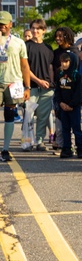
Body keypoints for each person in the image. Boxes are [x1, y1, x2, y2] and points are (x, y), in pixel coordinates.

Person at [0, 11, 32, 161]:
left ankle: (5, 149)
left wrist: (27, 87)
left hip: (14, 83)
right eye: (0, 24)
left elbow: (25, 66)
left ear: (10, 24)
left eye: (4, 24)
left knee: (9, 115)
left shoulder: (19, 42)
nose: (2, 27)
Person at [24, 19, 55, 150]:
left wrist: (51, 83)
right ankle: (27, 141)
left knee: (43, 117)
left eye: (38, 28)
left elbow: (51, 67)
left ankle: (39, 141)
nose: (35, 31)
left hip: (47, 89)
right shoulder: (26, 46)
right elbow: (24, 68)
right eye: (33, 28)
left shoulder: (48, 48)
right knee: (28, 116)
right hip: (31, 87)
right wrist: (38, 81)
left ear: (44, 30)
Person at [54, 51, 82, 159]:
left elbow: (78, 93)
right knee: (65, 129)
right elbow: (57, 91)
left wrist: (71, 104)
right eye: (62, 62)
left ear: (71, 62)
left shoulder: (77, 75)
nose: (64, 64)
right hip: (63, 106)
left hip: (74, 107)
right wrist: (61, 103)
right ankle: (66, 149)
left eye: (66, 61)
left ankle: (80, 149)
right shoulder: (60, 75)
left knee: (76, 129)